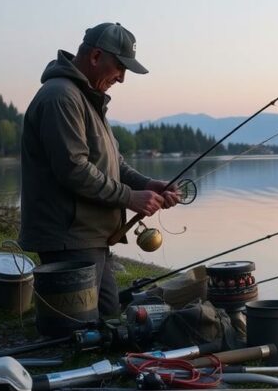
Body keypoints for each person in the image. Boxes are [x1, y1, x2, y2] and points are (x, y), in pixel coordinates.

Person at [18, 22, 180, 317]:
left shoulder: (87, 99)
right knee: (80, 331)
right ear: (95, 57)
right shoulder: (61, 97)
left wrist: (147, 184)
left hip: (89, 236)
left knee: (109, 319)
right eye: (119, 67)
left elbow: (114, 163)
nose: (121, 78)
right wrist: (130, 197)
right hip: (69, 238)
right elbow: (73, 169)